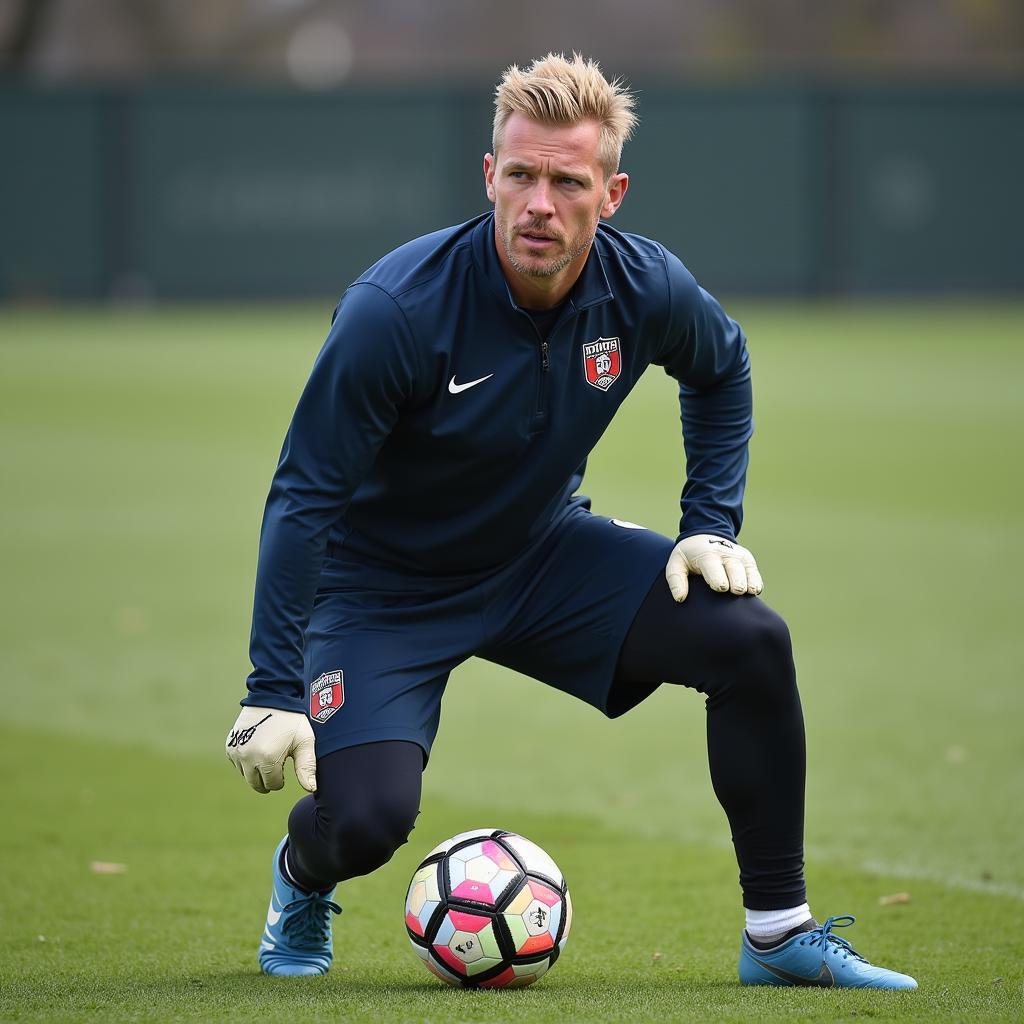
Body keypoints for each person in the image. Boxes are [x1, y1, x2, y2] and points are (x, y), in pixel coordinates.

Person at [225, 53, 916, 990]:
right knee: (366, 820)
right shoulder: (395, 310)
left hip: (540, 558)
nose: (538, 203)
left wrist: (708, 522)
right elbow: (303, 492)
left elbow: (723, 368)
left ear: (612, 191)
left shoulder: (646, 290)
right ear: (489, 176)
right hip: (382, 593)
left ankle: (778, 935)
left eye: (566, 180)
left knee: (749, 639)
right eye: (520, 175)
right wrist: (271, 687)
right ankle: (302, 878)